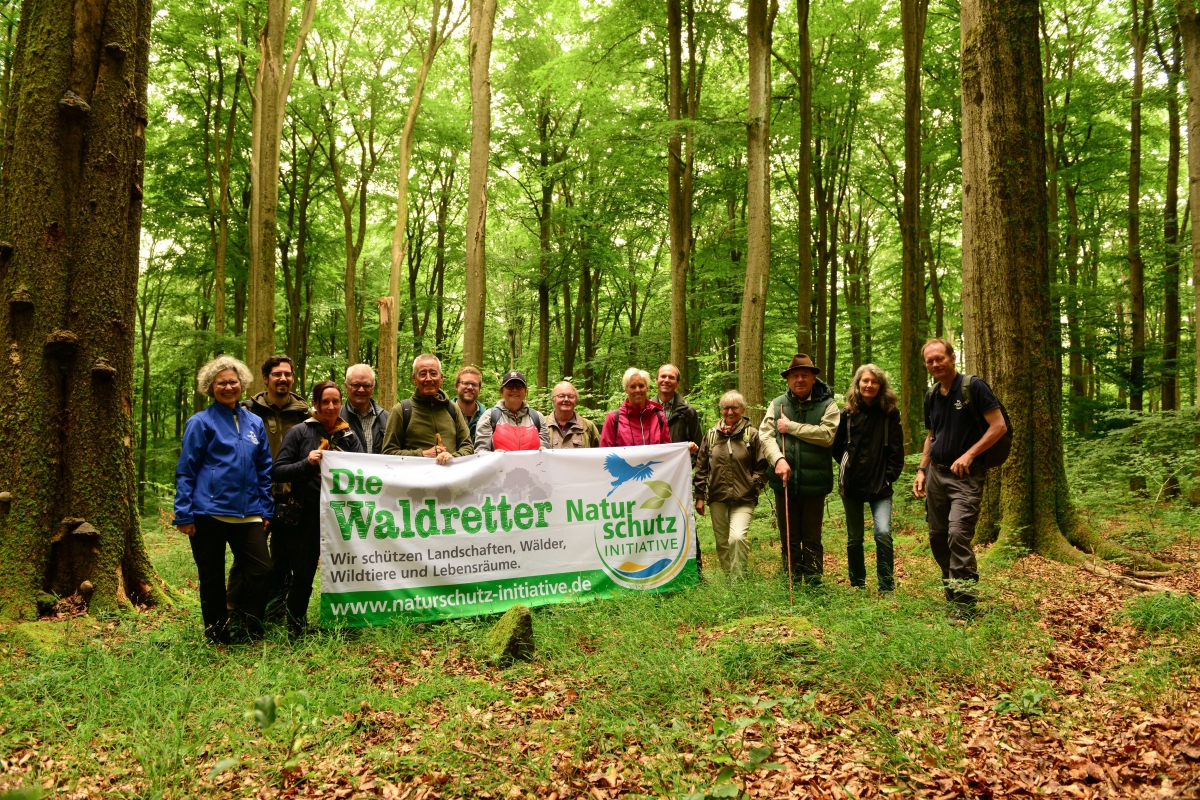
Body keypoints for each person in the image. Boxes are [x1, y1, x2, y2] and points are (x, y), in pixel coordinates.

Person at [174, 357, 274, 644]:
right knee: (212, 577)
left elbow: (264, 469)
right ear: (210, 387)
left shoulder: (255, 422)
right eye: (221, 383)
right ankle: (217, 635)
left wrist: (266, 508)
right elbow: (186, 469)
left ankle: (250, 628)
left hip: (249, 513)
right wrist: (184, 514)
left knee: (262, 571)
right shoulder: (200, 422)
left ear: (241, 384)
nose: (228, 387)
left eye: (233, 381)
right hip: (209, 512)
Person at [913, 338, 1007, 620]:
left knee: (957, 535)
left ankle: (965, 604)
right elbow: (932, 436)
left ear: (952, 358)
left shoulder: (972, 386)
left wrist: (969, 454)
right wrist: (921, 470)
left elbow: (998, 425)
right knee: (938, 537)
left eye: (940, 358)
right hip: (935, 476)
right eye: (929, 361)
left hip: (965, 476)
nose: (935, 364)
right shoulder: (931, 395)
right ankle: (952, 593)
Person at [272, 381, 363, 636]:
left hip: (341, 517)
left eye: (335, 401)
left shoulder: (349, 436)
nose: (331, 406)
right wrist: (307, 463)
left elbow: (362, 472)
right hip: (307, 516)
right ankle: (295, 628)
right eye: (325, 401)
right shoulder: (299, 432)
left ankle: (345, 624)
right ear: (315, 404)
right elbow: (278, 471)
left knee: (345, 571)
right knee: (303, 574)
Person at [230, 354, 309, 619]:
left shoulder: (304, 415)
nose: (283, 379)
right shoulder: (246, 411)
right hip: (255, 497)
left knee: (282, 560)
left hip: (292, 499)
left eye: (287, 374)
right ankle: (234, 611)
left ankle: (273, 613)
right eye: (277, 374)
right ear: (266, 379)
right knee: (247, 558)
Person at [760, 354, 839, 585]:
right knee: (789, 536)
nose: (800, 380)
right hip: (784, 481)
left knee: (812, 537)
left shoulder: (828, 405)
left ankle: (814, 582)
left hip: (815, 482)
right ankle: (792, 579)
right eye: (795, 376)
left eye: (805, 375)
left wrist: (791, 427)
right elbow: (765, 436)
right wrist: (778, 460)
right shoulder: (777, 404)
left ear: (814, 378)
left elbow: (827, 436)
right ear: (788, 380)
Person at [832, 364, 904, 594]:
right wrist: (847, 467)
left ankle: (886, 586)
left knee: (882, 533)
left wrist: (889, 476)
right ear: (857, 384)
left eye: (874, 381)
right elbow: (836, 446)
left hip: (880, 485)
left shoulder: (889, 412)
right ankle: (857, 584)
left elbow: (896, 449)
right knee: (854, 537)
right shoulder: (846, 413)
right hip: (851, 484)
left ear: (880, 385)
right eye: (865, 381)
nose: (869, 385)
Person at [693, 391, 768, 579]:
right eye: (726, 408)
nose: (730, 411)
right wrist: (700, 496)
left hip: (744, 497)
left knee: (737, 538)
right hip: (717, 497)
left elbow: (762, 465)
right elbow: (702, 467)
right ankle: (729, 576)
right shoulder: (711, 436)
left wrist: (754, 484)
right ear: (721, 410)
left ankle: (739, 579)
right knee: (722, 541)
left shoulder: (751, 435)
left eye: (735, 407)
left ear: (742, 409)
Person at [380, 354, 474, 462]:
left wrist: (453, 457)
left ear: (441, 378)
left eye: (433, 373)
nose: (428, 379)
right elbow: (388, 452)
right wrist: (422, 454)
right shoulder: (401, 410)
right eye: (423, 374)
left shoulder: (452, 409)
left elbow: (468, 446)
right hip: (414, 477)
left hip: (450, 477)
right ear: (414, 379)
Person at [474, 371, 551, 452]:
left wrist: (544, 451)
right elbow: (480, 451)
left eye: (519, 386)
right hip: (499, 465)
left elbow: (546, 448)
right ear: (502, 391)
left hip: (533, 464)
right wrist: (492, 456)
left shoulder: (537, 417)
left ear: (525, 391)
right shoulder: (490, 416)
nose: (514, 390)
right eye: (510, 386)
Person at [600, 368, 671, 447]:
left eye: (641, 386)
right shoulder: (613, 419)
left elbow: (667, 451)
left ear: (647, 388)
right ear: (626, 389)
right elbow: (605, 453)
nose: (637, 390)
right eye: (632, 387)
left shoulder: (659, 416)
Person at [340, 363, 390, 455]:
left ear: (373, 388)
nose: (361, 390)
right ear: (346, 387)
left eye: (366, 385)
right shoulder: (336, 418)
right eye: (356, 385)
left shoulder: (387, 419)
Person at [655, 364, 702, 457]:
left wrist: (689, 464)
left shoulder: (688, 411)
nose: (666, 380)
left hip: (679, 468)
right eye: (663, 376)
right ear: (656, 380)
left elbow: (699, 447)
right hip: (654, 468)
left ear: (678, 383)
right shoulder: (646, 410)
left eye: (671, 377)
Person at [547, 381, 600, 448]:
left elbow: (598, 455)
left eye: (570, 396)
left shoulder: (588, 427)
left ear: (576, 400)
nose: (566, 399)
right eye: (561, 396)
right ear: (553, 400)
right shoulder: (541, 424)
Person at [453, 366, 485, 442]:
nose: (470, 387)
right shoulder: (445, 412)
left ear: (479, 389)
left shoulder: (487, 417)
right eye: (465, 383)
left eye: (474, 384)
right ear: (456, 386)